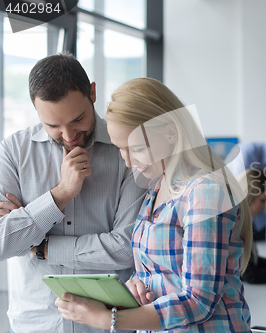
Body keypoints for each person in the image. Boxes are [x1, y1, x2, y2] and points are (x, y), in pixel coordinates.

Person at [54, 78, 254, 332]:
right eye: (120, 149)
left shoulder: (205, 191)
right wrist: (138, 284)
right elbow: (161, 270)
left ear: (171, 132)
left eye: (137, 148)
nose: (128, 162)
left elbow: (199, 301)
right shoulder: (156, 188)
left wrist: (107, 320)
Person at [0, 53, 146, 333]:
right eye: (53, 125)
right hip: (36, 324)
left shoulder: (126, 150)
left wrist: (42, 246)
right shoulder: (13, 152)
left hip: (110, 324)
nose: (68, 135)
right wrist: (60, 195)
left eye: (77, 119)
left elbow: (127, 248)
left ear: (92, 92)